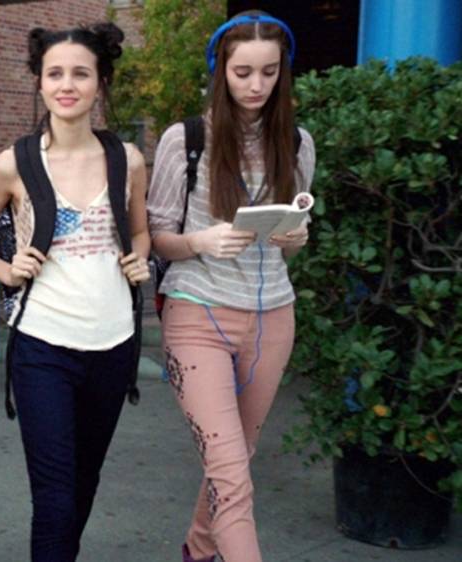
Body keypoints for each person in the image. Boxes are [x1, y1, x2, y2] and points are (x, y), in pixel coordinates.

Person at [0, 23, 150, 561]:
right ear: (40, 83)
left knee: (84, 483)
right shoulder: (14, 164)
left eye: (81, 74)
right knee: (55, 498)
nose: (67, 85)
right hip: (42, 345)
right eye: (55, 74)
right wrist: (7, 270)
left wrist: (140, 256)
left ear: (100, 81)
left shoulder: (128, 159)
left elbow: (141, 231)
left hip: (113, 345)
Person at [146, 12, 316, 562]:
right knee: (229, 471)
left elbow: (291, 241)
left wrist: (296, 237)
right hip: (197, 311)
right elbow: (156, 237)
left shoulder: (297, 142)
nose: (256, 85)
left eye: (269, 72)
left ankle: (198, 551)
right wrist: (201, 241)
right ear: (220, 71)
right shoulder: (185, 140)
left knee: (237, 459)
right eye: (243, 72)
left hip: (273, 317)